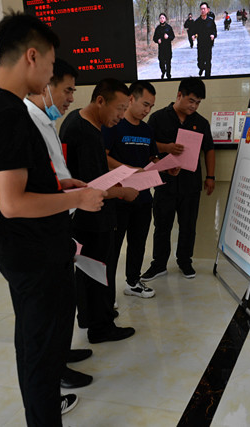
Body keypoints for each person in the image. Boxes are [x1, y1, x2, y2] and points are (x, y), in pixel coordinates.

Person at [0, 12, 106, 426]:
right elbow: (12, 202)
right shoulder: (9, 113)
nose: (50, 76)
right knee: (42, 357)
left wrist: (59, 186)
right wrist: (79, 198)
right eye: (50, 65)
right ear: (32, 56)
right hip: (35, 255)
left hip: (25, 251)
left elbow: (18, 183)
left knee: (35, 348)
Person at [24, 58, 94, 390]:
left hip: (62, 217)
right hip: (44, 227)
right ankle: (56, 370)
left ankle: (62, 353)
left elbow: (51, 172)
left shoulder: (46, 120)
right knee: (50, 308)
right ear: (45, 86)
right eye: (67, 90)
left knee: (65, 300)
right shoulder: (26, 121)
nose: (70, 98)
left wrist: (67, 185)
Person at [60, 79, 139, 344]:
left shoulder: (83, 122)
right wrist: (122, 192)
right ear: (100, 100)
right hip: (90, 216)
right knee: (97, 270)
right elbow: (90, 187)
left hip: (88, 214)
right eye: (119, 109)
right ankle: (101, 327)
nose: (121, 116)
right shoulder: (82, 131)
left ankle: (90, 317)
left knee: (89, 270)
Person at [141, 77, 215, 282]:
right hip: (164, 182)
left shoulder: (201, 122)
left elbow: (209, 149)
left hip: (191, 184)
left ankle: (185, 261)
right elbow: (148, 145)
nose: (194, 106)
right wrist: (167, 148)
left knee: (188, 226)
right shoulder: (158, 118)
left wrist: (210, 176)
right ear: (179, 95)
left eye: (198, 102)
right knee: (162, 226)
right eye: (191, 100)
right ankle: (158, 264)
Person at [102, 81, 161, 299]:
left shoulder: (147, 130)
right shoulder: (114, 125)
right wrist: (128, 169)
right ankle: (107, 294)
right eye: (145, 104)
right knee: (113, 247)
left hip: (143, 197)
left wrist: (164, 165)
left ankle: (133, 282)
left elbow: (152, 157)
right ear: (131, 99)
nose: (147, 110)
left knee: (138, 243)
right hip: (118, 197)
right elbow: (103, 157)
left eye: (151, 106)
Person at [193, 2, 217, 77]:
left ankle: (207, 77)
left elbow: (214, 31)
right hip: (200, 45)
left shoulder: (211, 21)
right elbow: (194, 32)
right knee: (200, 63)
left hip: (208, 44)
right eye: (201, 9)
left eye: (204, 9)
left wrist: (213, 35)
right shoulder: (197, 22)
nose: (202, 10)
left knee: (208, 61)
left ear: (208, 10)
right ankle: (202, 68)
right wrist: (194, 36)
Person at [153, 13, 175, 79]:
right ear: (159, 19)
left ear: (165, 19)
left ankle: (168, 75)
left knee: (168, 62)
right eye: (160, 18)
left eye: (163, 18)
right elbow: (154, 38)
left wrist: (168, 37)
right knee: (161, 62)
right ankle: (163, 71)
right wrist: (157, 40)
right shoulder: (158, 28)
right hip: (161, 48)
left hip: (168, 48)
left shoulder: (169, 27)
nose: (162, 19)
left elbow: (173, 36)